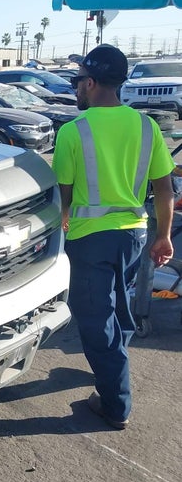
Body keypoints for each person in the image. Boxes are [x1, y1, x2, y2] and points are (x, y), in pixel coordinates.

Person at [51, 44, 176, 430]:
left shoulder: (74, 131)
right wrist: (164, 236)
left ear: (90, 83)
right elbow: (165, 188)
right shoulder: (146, 126)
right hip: (134, 235)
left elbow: (64, 197)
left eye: (78, 83)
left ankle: (115, 404)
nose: (76, 90)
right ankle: (109, 370)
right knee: (119, 309)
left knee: (94, 319)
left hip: (89, 239)